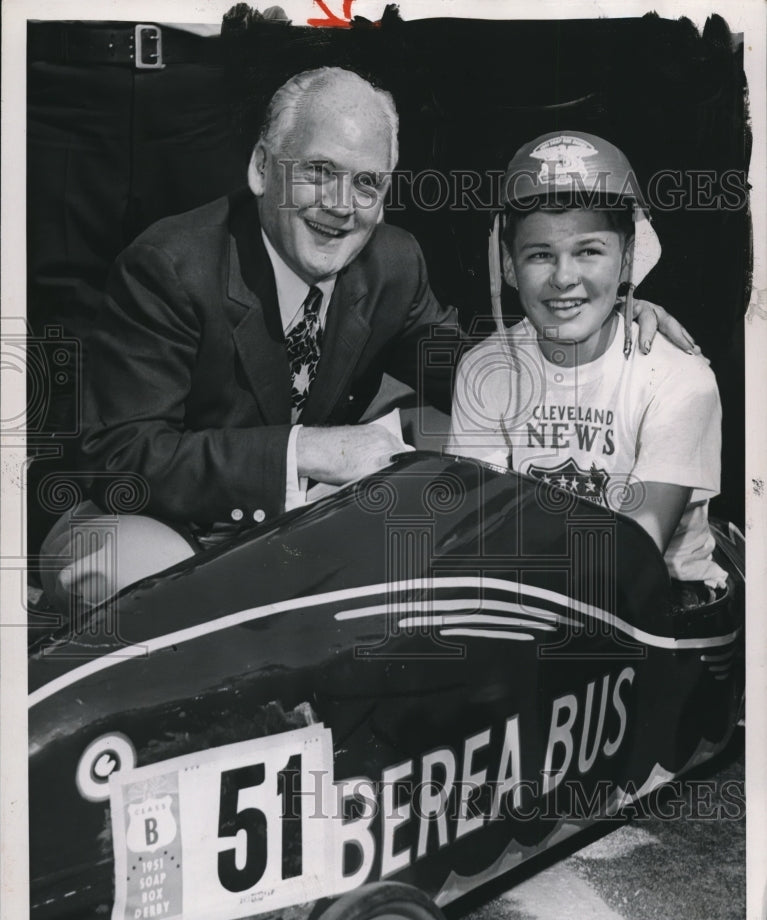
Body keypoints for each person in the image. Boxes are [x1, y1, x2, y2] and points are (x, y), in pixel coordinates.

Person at [41, 77, 696, 613]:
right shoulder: (170, 266)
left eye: (366, 183)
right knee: (159, 597)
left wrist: (592, 324)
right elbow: (120, 458)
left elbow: (474, 374)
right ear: (263, 168)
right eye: (319, 171)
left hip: (289, 529)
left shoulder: (390, 263)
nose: (340, 205)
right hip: (148, 522)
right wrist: (310, 449)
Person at [448, 131, 727, 598]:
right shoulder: (485, 369)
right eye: (540, 255)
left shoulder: (681, 378)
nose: (563, 278)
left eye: (589, 251)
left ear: (626, 261)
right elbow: (481, 532)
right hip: (534, 594)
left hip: (663, 604)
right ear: (509, 266)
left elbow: (633, 554)